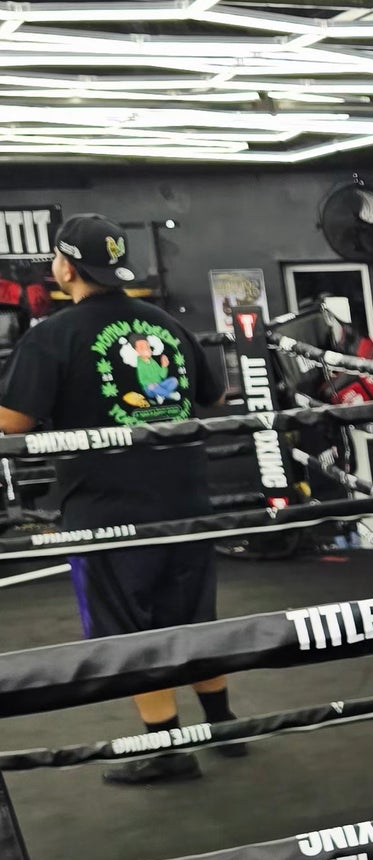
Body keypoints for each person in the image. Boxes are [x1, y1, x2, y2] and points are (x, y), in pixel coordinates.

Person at [0, 216, 240, 785]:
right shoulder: (165, 324)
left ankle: (167, 748)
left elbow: (12, 422)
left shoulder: (53, 334)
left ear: (65, 267)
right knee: (192, 614)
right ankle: (225, 727)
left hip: (108, 507)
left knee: (128, 628)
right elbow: (214, 395)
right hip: (185, 496)